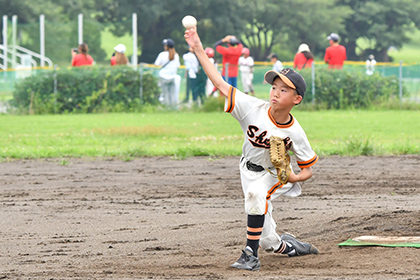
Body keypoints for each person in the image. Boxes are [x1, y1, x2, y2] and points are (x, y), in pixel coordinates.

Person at [184, 27, 319, 271]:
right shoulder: (251, 108)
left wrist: (295, 176)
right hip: (246, 168)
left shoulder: (295, 132)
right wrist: (197, 48)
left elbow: (309, 167)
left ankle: (250, 255)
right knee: (268, 238)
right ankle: (287, 245)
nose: (276, 93)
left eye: (284, 89)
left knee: (256, 196)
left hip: (273, 175)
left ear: (296, 99)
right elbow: (219, 82)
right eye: (274, 87)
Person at [154, 38, 181, 109]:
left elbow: (156, 64)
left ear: (166, 46)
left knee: (165, 93)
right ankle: (173, 107)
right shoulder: (176, 55)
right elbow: (178, 65)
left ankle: (167, 108)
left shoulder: (162, 54)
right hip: (172, 77)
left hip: (163, 76)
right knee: (172, 93)